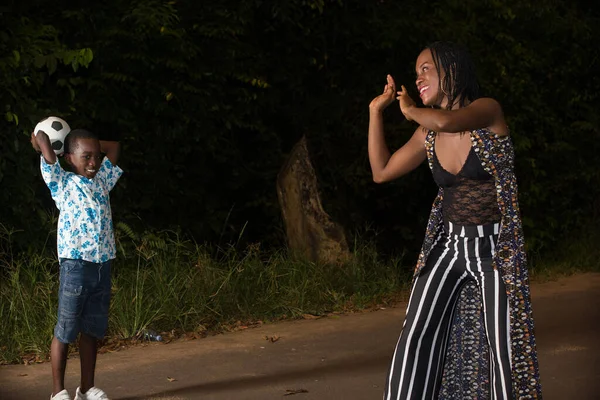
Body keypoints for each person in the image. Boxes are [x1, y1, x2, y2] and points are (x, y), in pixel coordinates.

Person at [368, 41, 542, 399]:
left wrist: (410, 109)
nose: (418, 78)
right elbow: (381, 172)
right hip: (448, 247)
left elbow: (447, 120)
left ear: (453, 70)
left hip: (494, 251)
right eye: (416, 72)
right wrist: (375, 112)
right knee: (416, 335)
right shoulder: (427, 133)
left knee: (503, 349)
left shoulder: (486, 110)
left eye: (426, 69)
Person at [31, 128, 123, 400]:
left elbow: (115, 146)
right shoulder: (61, 182)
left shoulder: (103, 180)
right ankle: (58, 391)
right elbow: (43, 139)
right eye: (86, 157)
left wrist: (84, 142)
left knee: (91, 331)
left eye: (96, 156)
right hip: (75, 267)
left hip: (102, 265)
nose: (94, 162)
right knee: (66, 330)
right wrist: (46, 140)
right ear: (69, 158)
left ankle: (86, 388)